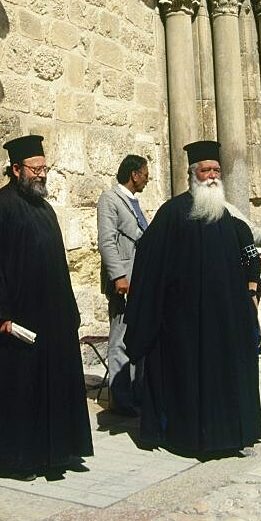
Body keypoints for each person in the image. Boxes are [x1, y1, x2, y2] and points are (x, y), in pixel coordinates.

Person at [0, 134, 93, 480]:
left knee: (50, 389)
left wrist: (69, 313)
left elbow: (57, 266)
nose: (42, 174)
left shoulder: (45, 210)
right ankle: (18, 460)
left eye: (45, 168)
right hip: (15, 324)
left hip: (52, 322)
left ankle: (54, 453)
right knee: (18, 391)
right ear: (16, 169)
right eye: (36, 168)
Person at [123, 140, 261, 457]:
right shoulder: (172, 214)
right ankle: (185, 438)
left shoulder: (228, 221)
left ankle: (229, 436)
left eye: (216, 170)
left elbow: (244, 267)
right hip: (184, 325)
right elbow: (148, 260)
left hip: (224, 323)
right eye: (206, 170)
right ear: (193, 174)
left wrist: (248, 302)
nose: (212, 175)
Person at [97, 154, 149, 415]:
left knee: (137, 337)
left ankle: (136, 391)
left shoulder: (134, 202)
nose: (147, 179)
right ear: (134, 174)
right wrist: (119, 276)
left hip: (140, 281)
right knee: (119, 338)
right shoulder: (110, 199)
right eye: (145, 173)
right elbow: (107, 241)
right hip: (124, 282)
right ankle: (120, 399)